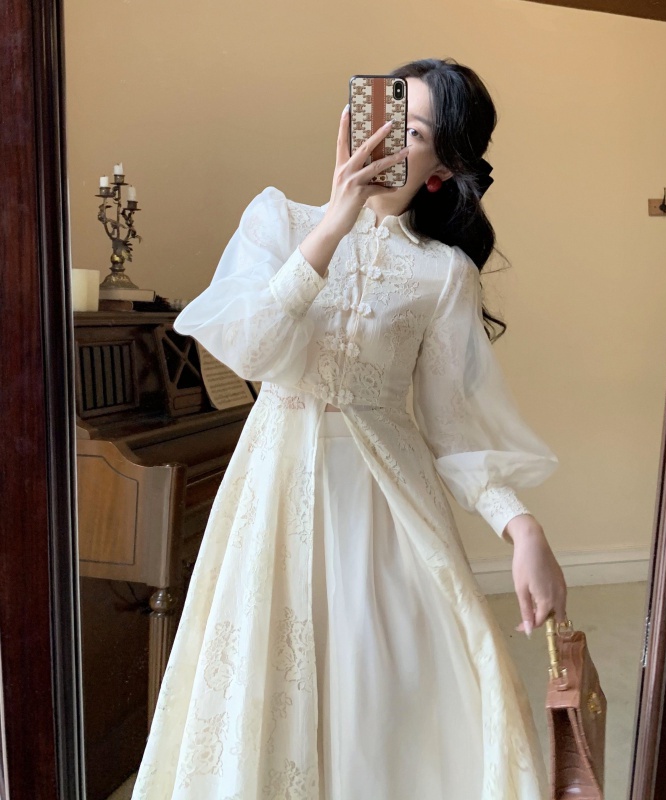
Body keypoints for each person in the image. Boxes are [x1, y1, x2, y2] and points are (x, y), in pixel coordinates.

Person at [132, 58, 566, 800]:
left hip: (387, 510)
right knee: (261, 691)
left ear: (441, 169)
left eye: (414, 133)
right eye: (384, 120)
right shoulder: (277, 220)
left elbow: (455, 427)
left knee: (386, 698)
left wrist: (522, 527)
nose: (386, 142)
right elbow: (252, 352)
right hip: (273, 495)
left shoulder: (445, 274)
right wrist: (334, 223)